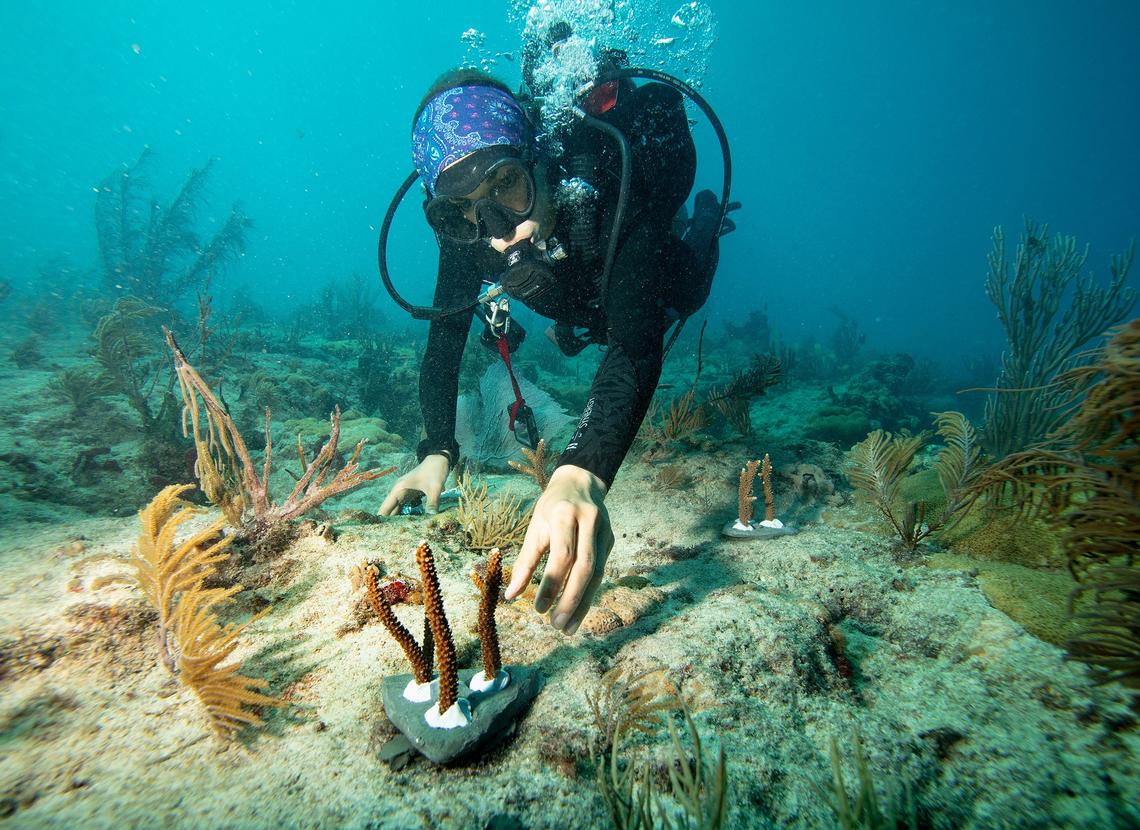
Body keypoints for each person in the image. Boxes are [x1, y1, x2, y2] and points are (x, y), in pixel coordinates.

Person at [379, 60, 732, 636]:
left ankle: (705, 222)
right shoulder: (471, 238)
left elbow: (637, 348)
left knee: (685, 293)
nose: (496, 228)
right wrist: (437, 449)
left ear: (537, 160)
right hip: (581, 297)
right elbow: (444, 341)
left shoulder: (611, 190)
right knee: (581, 328)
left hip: (646, 274)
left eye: (507, 185)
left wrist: (581, 471)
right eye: (464, 210)